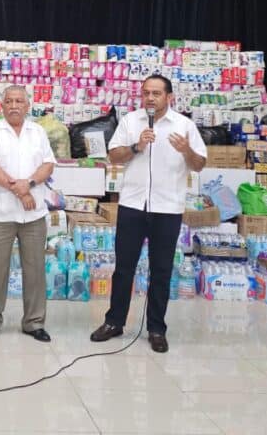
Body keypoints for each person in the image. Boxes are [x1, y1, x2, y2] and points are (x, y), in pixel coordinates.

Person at [90, 74, 206, 353]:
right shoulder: (131, 121)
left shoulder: (184, 125)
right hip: (132, 205)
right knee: (124, 268)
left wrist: (186, 151)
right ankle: (114, 321)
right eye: (146, 93)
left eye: (156, 93)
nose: (150, 98)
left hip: (167, 207)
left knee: (161, 270)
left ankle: (156, 328)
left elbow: (199, 164)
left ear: (169, 97)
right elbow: (113, 156)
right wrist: (136, 147)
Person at [0, 85, 57, 342]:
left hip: (33, 215)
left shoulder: (38, 132)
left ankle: (34, 322)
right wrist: (21, 192)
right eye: (9, 101)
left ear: (27, 106)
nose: (14, 105)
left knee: (35, 271)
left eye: (19, 101)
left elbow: (48, 164)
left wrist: (29, 184)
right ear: (1, 106)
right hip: (1, 214)